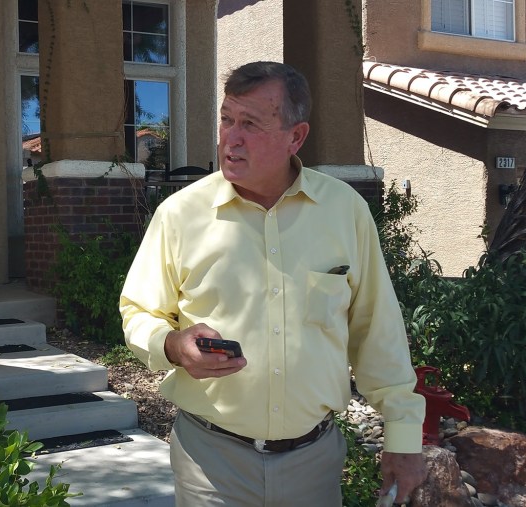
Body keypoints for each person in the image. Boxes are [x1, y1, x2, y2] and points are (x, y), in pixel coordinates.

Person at [120, 61, 426, 506]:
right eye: (226, 118)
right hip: (211, 464)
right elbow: (138, 311)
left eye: (251, 123)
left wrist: (403, 435)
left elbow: (377, 331)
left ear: (295, 137)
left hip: (313, 466)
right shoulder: (181, 214)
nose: (231, 137)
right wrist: (171, 345)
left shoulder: (344, 212)